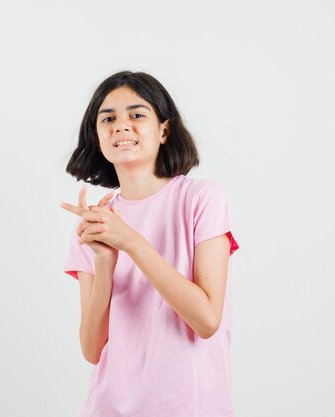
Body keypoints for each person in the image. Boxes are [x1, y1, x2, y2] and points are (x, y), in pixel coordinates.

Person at [59, 70, 241, 417]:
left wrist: (130, 242)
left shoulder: (202, 198)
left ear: (164, 130)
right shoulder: (97, 222)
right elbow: (92, 349)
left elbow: (205, 319)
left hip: (192, 407)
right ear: (97, 136)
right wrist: (104, 261)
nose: (121, 126)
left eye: (137, 114)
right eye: (108, 118)